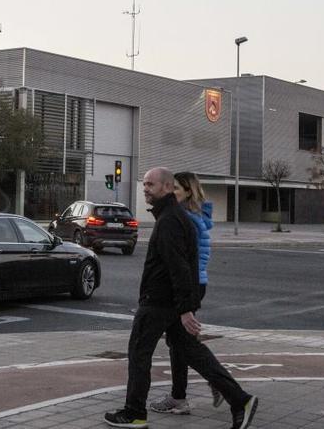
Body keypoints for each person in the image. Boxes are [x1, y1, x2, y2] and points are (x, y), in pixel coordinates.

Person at [104, 167, 258, 429]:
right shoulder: (176, 217)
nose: (145, 189)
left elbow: (180, 266)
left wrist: (187, 309)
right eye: (145, 185)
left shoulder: (170, 221)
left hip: (159, 301)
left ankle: (135, 412)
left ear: (166, 187)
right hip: (172, 301)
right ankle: (240, 400)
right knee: (192, 352)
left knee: (139, 353)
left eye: (151, 185)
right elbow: (187, 262)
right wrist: (185, 306)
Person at [150, 171, 219, 415]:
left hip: (188, 284)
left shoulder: (185, 219)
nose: (171, 194)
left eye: (176, 189)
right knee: (181, 343)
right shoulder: (193, 216)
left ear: (188, 191)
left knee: (183, 344)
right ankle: (197, 389)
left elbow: (180, 260)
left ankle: (199, 389)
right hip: (193, 283)